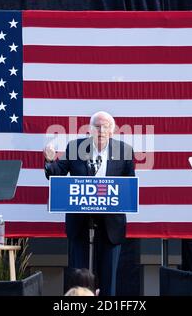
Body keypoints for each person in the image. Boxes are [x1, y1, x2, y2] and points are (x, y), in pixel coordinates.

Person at [43, 111, 135, 296]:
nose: (101, 130)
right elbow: (56, 174)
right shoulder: (76, 148)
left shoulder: (124, 151)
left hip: (111, 223)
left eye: (105, 126)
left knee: (109, 282)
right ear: (89, 129)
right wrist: (50, 160)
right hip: (80, 220)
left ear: (112, 130)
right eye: (97, 126)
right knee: (80, 279)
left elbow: (128, 186)